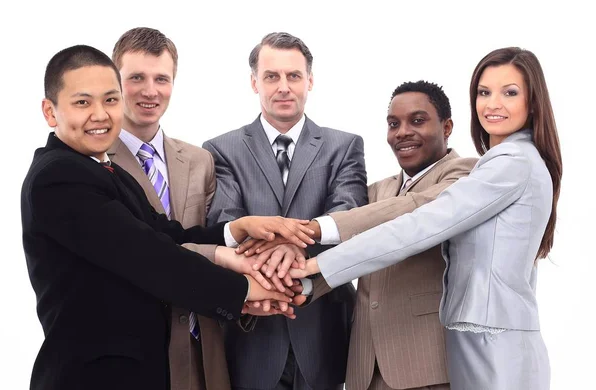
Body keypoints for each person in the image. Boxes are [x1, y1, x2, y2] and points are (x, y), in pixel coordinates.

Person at [21, 44, 313, 390]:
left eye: (111, 100)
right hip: (93, 376)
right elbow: (149, 256)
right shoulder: (59, 177)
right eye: (83, 102)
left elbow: (166, 235)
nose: (100, 114)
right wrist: (245, 290)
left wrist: (235, 231)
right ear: (50, 112)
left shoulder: (105, 170)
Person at [290, 47, 562, 390]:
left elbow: (420, 225)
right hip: (480, 337)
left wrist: (316, 266)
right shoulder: (510, 160)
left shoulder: (510, 163)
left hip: (493, 342)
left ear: (534, 101)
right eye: (484, 92)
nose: (493, 104)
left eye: (510, 92)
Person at [241, 81, 477, 390]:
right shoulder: (379, 190)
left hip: (425, 364)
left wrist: (307, 229)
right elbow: (352, 247)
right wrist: (300, 283)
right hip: (365, 367)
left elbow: (408, 210)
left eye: (417, 121)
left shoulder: (466, 174)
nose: (402, 132)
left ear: (447, 127)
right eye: (394, 124)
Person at [203, 32, 368, 390]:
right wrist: (287, 247)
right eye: (271, 76)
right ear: (254, 82)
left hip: (324, 332)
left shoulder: (344, 147)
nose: (283, 87)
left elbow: (349, 216)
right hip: (251, 336)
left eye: (293, 76)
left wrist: (297, 247)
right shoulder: (220, 150)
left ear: (310, 80)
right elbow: (225, 225)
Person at [108, 27, 228, 390]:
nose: (150, 90)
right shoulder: (92, 162)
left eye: (162, 78)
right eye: (136, 78)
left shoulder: (200, 160)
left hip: (201, 345)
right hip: (130, 346)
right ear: (114, 81)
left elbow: (207, 239)